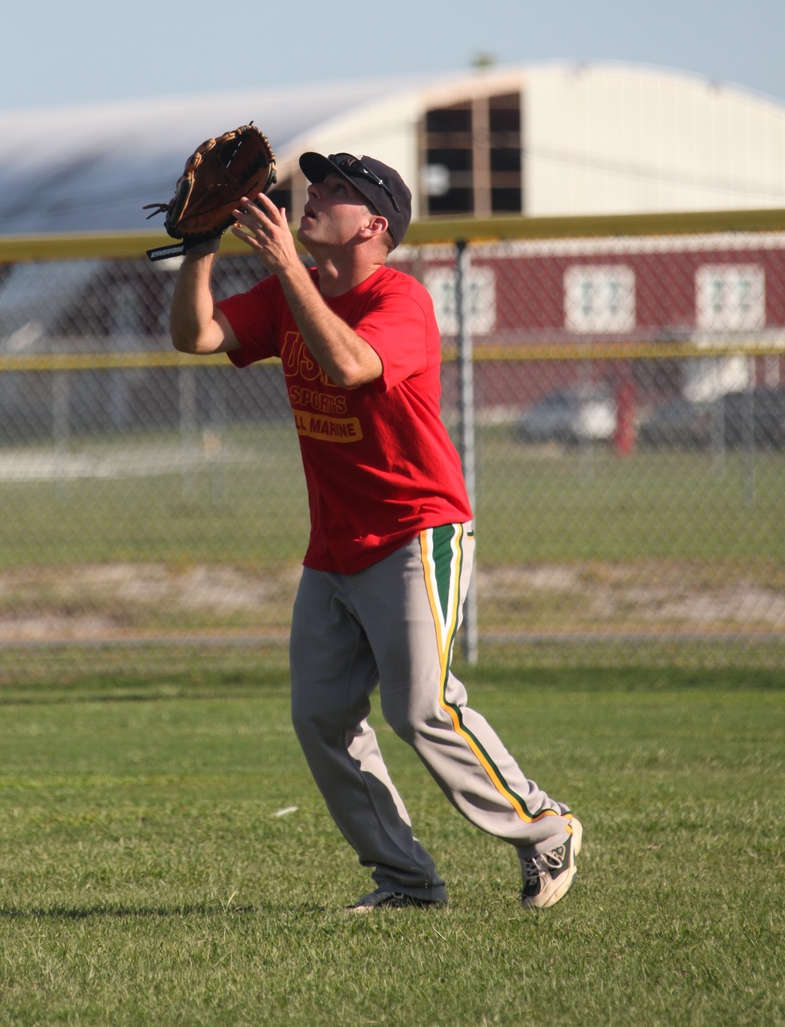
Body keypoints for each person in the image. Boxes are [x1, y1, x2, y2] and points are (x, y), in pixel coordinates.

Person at [168, 149, 581, 911]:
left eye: (335, 190)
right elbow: (196, 337)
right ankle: (407, 880)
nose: (313, 194)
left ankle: (543, 826)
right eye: (315, 182)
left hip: (416, 532)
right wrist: (198, 252)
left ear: (374, 224)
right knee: (321, 717)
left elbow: (353, 364)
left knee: (418, 706)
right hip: (334, 548)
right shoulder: (296, 288)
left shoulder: (403, 301)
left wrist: (290, 269)